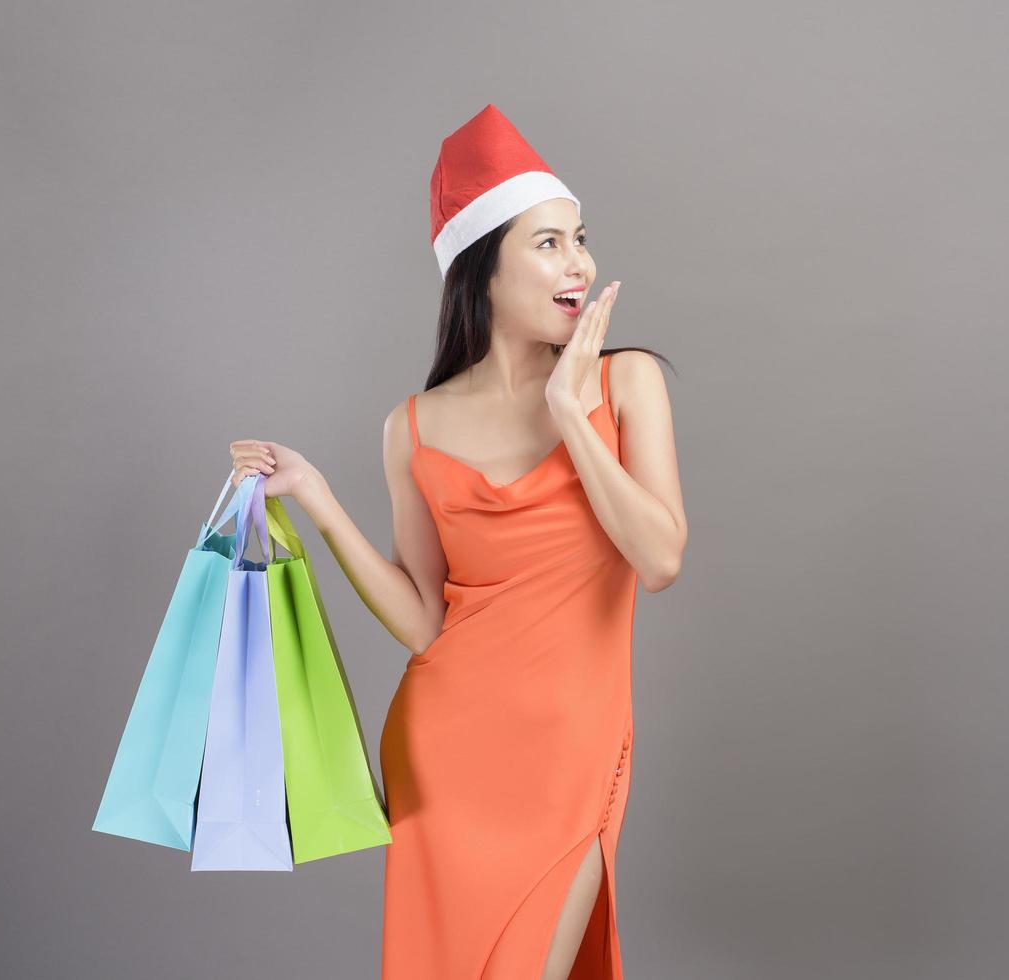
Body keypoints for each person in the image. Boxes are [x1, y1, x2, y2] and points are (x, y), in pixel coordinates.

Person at [226, 104, 687, 979]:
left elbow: (659, 559)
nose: (578, 262)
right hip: (448, 752)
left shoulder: (625, 384)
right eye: (547, 242)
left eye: (578, 238)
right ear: (483, 269)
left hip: (570, 752)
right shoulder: (414, 427)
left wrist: (569, 417)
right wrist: (320, 501)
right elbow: (427, 620)